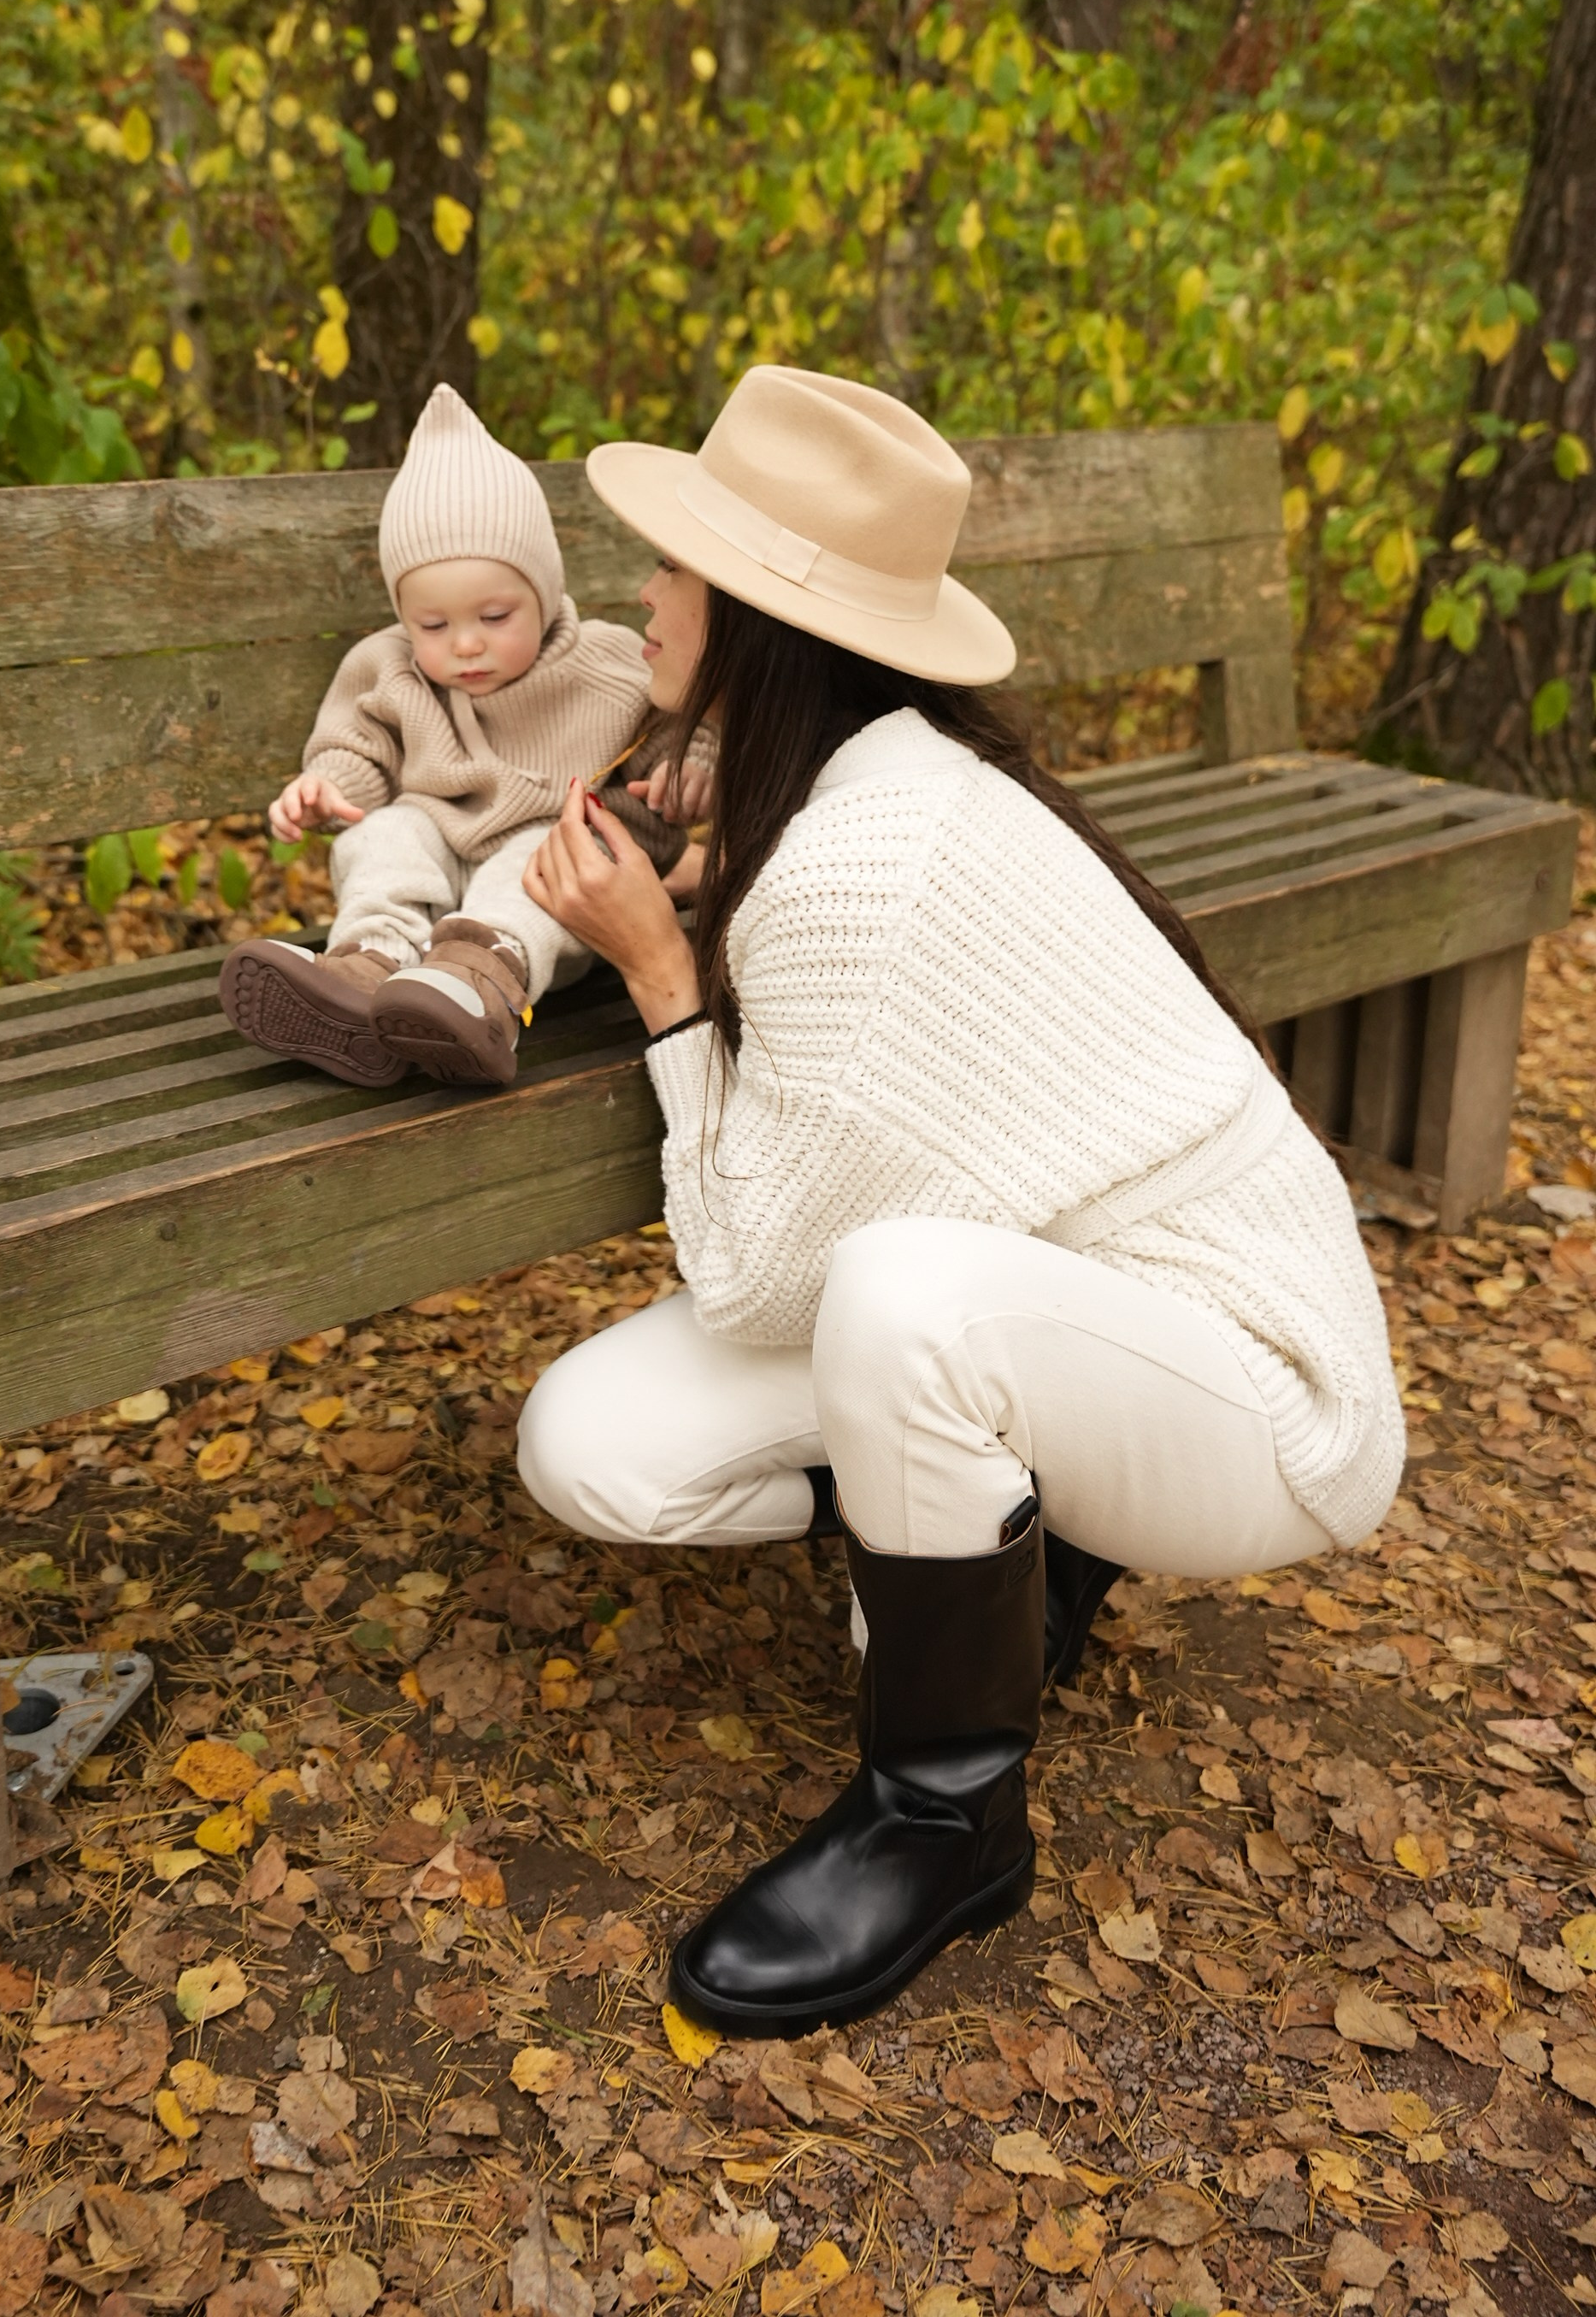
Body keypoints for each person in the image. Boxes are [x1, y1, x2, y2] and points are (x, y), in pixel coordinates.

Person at [513, 363, 1405, 2038]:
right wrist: (703, 894)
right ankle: (1016, 1546)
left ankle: (943, 1825)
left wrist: (657, 977)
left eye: (674, 566)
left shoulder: (862, 859)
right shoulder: (851, 788)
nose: (641, 588)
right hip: (1081, 1304)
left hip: (1267, 1396)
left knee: (900, 1299)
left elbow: (756, 1279)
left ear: (759, 618)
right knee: (589, 1441)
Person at [220, 382, 700, 1089]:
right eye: (434, 626)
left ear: (544, 591)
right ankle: (367, 972)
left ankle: (479, 990)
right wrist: (327, 790)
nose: (466, 646)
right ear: (404, 616)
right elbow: (356, 749)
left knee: (544, 852)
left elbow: (681, 728)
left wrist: (695, 769)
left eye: (496, 616)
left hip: (545, 901)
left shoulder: (608, 664)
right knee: (386, 834)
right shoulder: (390, 670)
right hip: (441, 872)